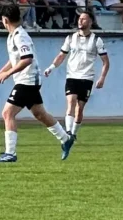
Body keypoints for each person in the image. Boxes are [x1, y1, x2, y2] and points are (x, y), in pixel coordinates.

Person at [0, 4, 74, 163]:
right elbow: (15, 58)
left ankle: (10, 153)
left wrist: (7, 74)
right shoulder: (13, 35)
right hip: (29, 80)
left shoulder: (20, 36)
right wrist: (1, 71)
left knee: (7, 113)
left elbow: (27, 59)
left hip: (27, 81)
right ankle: (65, 139)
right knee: (39, 113)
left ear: (5, 20)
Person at [44, 11, 110, 140]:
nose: (80, 21)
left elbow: (106, 62)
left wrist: (102, 78)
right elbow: (61, 55)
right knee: (71, 102)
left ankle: (73, 134)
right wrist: (51, 67)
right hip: (72, 76)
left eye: (84, 19)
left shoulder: (96, 40)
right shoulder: (70, 38)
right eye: (80, 18)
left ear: (90, 22)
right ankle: (68, 133)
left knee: (79, 109)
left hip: (87, 78)